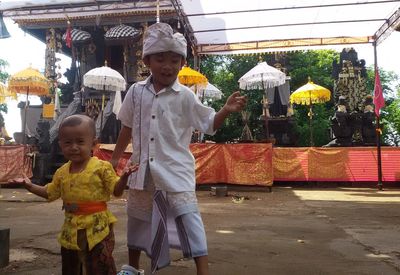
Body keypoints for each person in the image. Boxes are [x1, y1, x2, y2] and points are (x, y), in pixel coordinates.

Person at [110, 23, 247, 275]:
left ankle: (202, 270)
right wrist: (115, 159)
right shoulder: (136, 92)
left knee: (189, 219)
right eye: (160, 59)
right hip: (141, 170)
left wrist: (225, 111)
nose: (167, 66)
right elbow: (127, 127)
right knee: (138, 220)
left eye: (174, 60)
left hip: (176, 170)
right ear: (147, 61)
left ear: (182, 63)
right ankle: (132, 267)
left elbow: (208, 124)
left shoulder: (185, 96)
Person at [9, 114, 138, 275]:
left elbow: (116, 191)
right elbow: (49, 193)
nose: (74, 147)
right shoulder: (62, 172)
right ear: (60, 144)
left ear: (93, 144)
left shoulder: (101, 168)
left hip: (97, 228)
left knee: (99, 266)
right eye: (68, 143)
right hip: (71, 229)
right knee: (71, 266)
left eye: (80, 142)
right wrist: (29, 185)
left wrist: (124, 177)